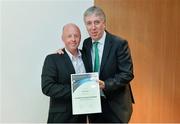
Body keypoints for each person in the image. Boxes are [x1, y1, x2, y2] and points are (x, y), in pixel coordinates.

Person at [57, 6, 134, 123]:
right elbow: (78, 55)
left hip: (116, 106)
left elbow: (127, 74)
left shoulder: (119, 43)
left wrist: (106, 84)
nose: (93, 27)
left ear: (104, 23)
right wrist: (63, 51)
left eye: (96, 22)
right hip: (94, 104)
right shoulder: (87, 43)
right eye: (89, 23)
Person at [41, 23, 88, 123]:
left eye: (76, 36)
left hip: (82, 118)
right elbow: (47, 87)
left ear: (80, 37)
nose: (73, 39)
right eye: (69, 36)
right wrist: (77, 89)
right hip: (61, 118)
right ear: (63, 38)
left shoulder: (87, 56)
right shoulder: (53, 59)